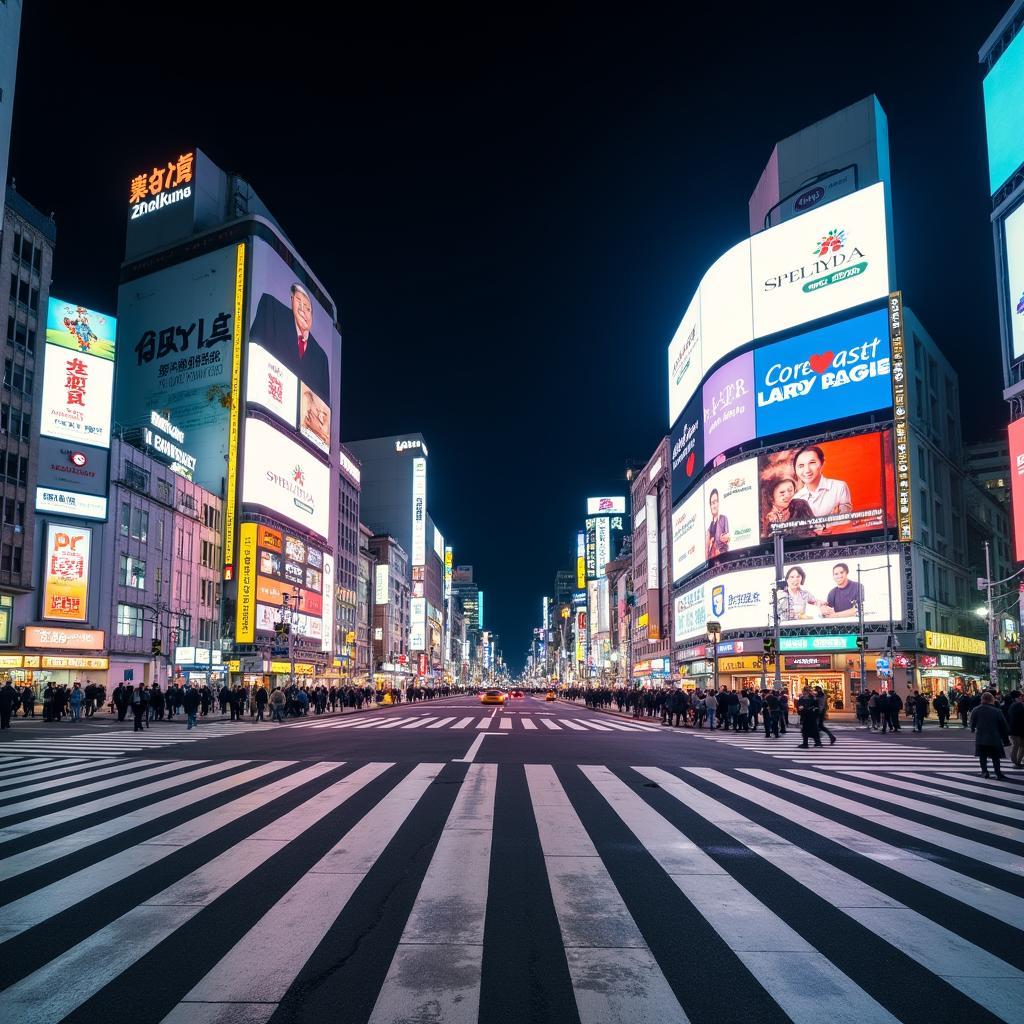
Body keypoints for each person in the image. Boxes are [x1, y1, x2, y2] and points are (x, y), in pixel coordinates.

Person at [248, 283, 330, 401]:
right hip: (264, 403)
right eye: (299, 301)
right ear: (291, 301)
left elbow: (323, 406)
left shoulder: (321, 358)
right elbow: (253, 355)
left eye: (308, 309)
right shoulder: (272, 310)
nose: (303, 311)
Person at [792, 444, 853, 521]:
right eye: (801, 465)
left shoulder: (839, 487)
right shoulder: (796, 499)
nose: (807, 470)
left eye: (812, 463)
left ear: (822, 463)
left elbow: (845, 520)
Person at [970, 691, 1010, 779]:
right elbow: (1003, 725)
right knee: (995, 757)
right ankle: (998, 773)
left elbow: (972, 723)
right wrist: (1006, 739)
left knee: (982, 756)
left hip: (981, 737)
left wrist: (973, 728)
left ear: (982, 699)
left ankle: (984, 772)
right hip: (994, 737)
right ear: (992, 700)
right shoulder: (997, 711)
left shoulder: (976, 710)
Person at [705, 488, 730, 559]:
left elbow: (728, 537)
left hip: (723, 557)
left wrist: (727, 538)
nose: (714, 505)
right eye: (712, 503)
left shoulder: (724, 518)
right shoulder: (709, 528)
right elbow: (706, 551)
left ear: (718, 503)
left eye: (715, 502)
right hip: (712, 561)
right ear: (710, 506)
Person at [1007, 691, 1024, 769]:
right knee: (1018, 746)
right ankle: (1016, 762)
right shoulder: (1019, 705)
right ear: (1017, 697)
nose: (1021, 698)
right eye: (1020, 696)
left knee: (1017, 746)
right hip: (1019, 729)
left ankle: (1016, 761)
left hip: (1013, 729)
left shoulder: (1012, 705)